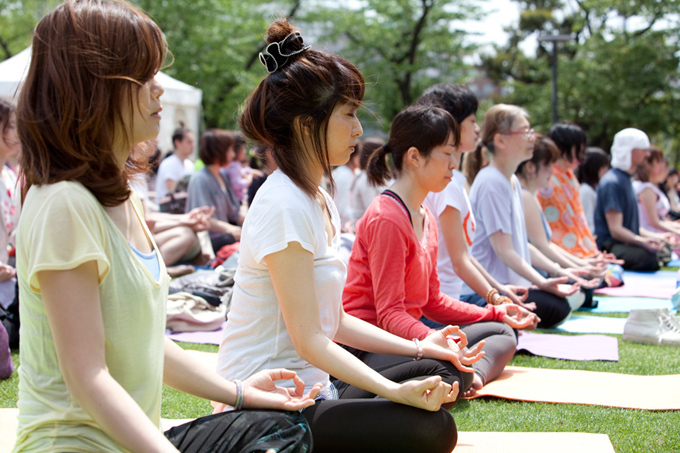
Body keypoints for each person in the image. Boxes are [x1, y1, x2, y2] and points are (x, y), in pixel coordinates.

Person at [14, 2, 319, 452]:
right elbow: (88, 377)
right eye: (143, 76)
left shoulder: (124, 196)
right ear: (94, 87)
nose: (159, 91)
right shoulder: (63, 203)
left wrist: (241, 393)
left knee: (279, 427)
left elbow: (148, 346)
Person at [217, 19, 482, 453]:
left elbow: (333, 321)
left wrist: (421, 345)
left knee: (436, 370)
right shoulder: (283, 202)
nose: (359, 130)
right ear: (306, 125)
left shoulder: (316, 196)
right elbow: (310, 339)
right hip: (265, 406)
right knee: (432, 430)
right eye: (349, 114)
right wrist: (394, 391)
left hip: (312, 390)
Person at [343, 104, 539, 399]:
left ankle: (471, 376)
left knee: (503, 331)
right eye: (447, 154)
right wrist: (432, 339)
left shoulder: (425, 214)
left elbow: (431, 300)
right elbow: (388, 315)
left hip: (406, 336)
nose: (454, 164)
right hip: (369, 345)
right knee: (446, 367)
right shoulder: (388, 217)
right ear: (414, 157)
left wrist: (497, 311)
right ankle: (463, 372)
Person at [417, 83, 530, 308]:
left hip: (457, 295)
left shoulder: (456, 181)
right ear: (451, 125)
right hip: (447, 300)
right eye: (471, 121)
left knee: (509, 325)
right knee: (507, 329)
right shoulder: (445, 185)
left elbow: (465, 257)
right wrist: (496, 296)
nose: (477, 129)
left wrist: (499, 289)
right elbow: (460, 262)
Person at [468, 104, 577, 329]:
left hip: (514, 285)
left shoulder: (511, 180)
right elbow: (504, 250)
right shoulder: (491, 181)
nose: (531, 139)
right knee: (559, 307)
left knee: (568, 295)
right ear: (500, 140)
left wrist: (560, 272)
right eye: (525, 132)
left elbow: (521, 247)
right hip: (494, 289)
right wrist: (543, 282)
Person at [516, 134, 603, 307]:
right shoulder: (525, 196)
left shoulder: (530, 195)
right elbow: (541, 246)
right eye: (548, 165)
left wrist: (582, 265)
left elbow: (545, 243)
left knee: (587, 281)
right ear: (530, 167)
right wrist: (574, 268)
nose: (551, 171)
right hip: (532, 276)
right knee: (580, 289)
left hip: (542, 272)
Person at [594, 128, 665, 270]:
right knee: (648, 257)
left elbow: (630, 226)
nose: (648, 154)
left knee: (662, 249)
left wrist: (654, 238)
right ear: (630, 150)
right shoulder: (613, 182)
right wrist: (643, 242)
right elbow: (616, 230)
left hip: (624, 244)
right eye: (643, 149)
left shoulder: (625, 180)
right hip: (611, 246)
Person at [536, 122, 599, 259]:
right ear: (563, 148)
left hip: (574, 248)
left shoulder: (569, 176)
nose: (581, 156)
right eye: (579, 150)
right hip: (562, 251)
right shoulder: (548, 177)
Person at [186, 129, 243, 253]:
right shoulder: (200, 179)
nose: (233, 155)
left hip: (226, 235)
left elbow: (234, 212)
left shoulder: (223, 175)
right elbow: (202, 217)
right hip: (209, 240)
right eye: (230, 150)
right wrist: (229, 228)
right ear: (219, 151)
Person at [633, 146, 680, 237]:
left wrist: (675, 226)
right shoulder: (646, 189)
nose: (663, 168)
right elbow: (655, 222)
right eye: (658, 162)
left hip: (659, 237)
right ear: (648, 165)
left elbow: (660, 220)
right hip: (654, 238)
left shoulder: (650, 187)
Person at [349, 137, 387, 221]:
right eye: (385, 154)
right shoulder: (366, 179)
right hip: (366, 228)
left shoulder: (372, 177)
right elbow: (372, 209)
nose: (387, 158)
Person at [155, 127, 196, 203]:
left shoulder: (189, 164)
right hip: (168, 210)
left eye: (193, 142)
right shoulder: (170, 164)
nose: (193, 145)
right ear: (177, 143)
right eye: (189, 142)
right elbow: (172, 194)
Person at [577, 147, 610, 231]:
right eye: (604, 167)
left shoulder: (593, 189)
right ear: (594, 168)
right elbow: (588, 222)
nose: (607, 170)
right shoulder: (586, 190)